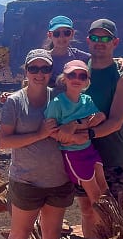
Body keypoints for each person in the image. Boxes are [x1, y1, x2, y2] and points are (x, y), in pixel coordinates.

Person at [0, 49, 74, 239]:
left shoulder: (61, 99)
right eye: (34, 69)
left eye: (45, 69)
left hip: (58, 181)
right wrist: (40, 134)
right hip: (26, 181)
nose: (39, 74)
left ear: (51, 72)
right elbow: (4, 142)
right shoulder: (14, 103)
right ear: (26, 71)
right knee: (19, 235)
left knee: (51, 235)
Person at [70, 18, 123, 239]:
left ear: (115, 42)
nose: (100, 42)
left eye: (105, 38)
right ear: (88, 40)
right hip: (83, 156)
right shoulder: (79, 70)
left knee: (113, 215)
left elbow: (115, 122)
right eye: (95, 37)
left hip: (112, 157)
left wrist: (85, 133)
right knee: (88, 211)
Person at [45, 60, 108, 211]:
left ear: (86, 81)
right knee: (95, 195)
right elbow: (51, 131)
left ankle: (116, 220)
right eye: (72, 75)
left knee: (104, 188)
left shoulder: (87, 100)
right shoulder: (57, 103)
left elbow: (95, 120)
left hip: (89, 149)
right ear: (64, 78)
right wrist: (74, 138)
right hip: (73, 154)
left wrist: (75, 125)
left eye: (82, 76)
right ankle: (107, 223)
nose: (76, 79)